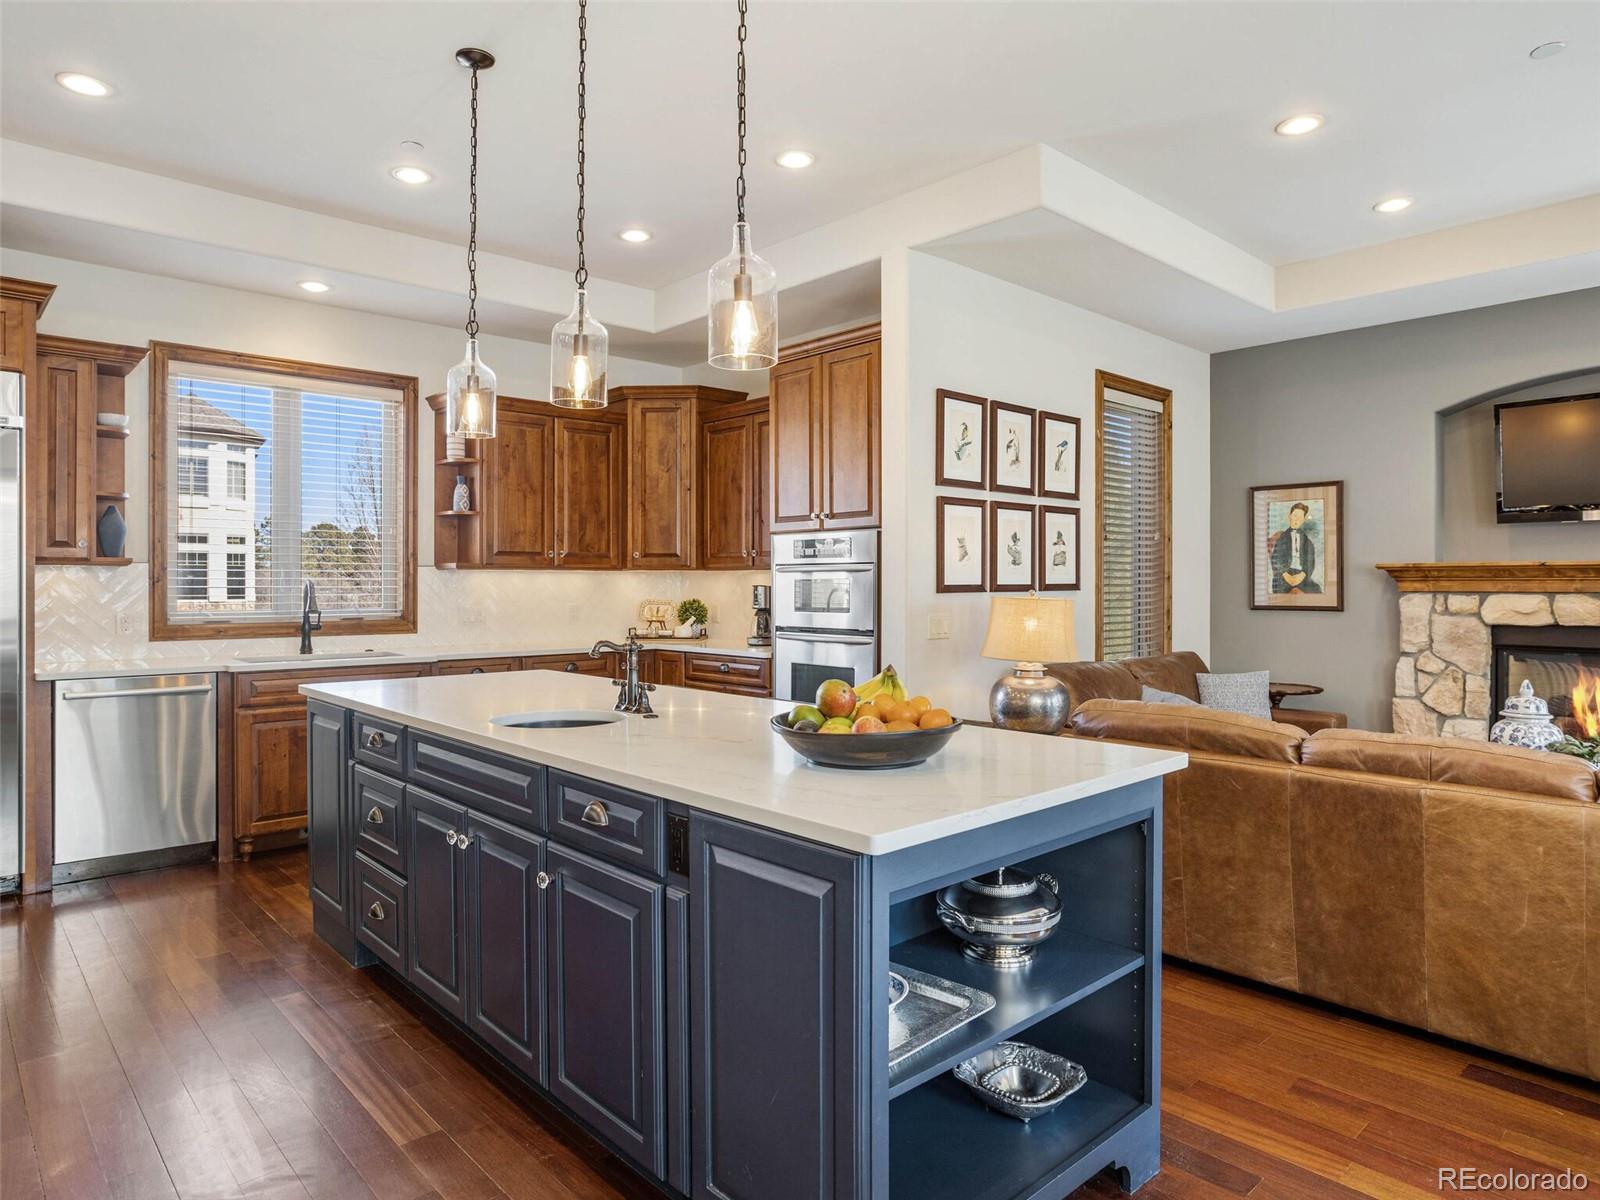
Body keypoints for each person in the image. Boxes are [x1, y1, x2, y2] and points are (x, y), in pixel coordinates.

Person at [1269, 501, 1321, 593]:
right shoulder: (1282, 538)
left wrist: (1303, 574)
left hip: (1302, 576)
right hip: (1284, 576)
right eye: (1295, 515)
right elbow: (1276, 558)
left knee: (1317, 590)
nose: (1297, 520)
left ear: (1303, 519)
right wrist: (1286, 575)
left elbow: (1310, 562)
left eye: (1300, 517)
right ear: (1290, 516)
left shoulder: (1307, 542)